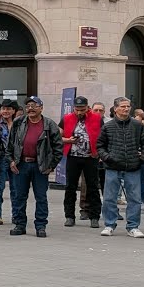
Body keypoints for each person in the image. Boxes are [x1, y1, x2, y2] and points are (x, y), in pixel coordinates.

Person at [6, 96, 63, 238]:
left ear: (41, 108)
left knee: (41, 197)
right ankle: (20, 224)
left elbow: (58, 147)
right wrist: (11, 161)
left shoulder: (49, 124)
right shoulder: (19, 122)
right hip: (21, 165)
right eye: (28, 106)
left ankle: (41, 226)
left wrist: (52, 165)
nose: (30, 108)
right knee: (19, 196)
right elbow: (10, 145)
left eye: (34, 105)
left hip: (40, 166)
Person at [98, 97, 144, 238]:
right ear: (115, 108)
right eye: (122, 106)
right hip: (112, 167)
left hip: (133, 167)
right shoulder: (107, 126)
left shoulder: (137, 125)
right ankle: (109, 224)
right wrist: (107, 157)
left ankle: (133, 226)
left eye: (128, 106)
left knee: (134, 198)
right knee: (109, 198)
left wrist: (141, 158)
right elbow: (100, 145)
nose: (126, 109)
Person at [61, 96, 103, 228]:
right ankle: (69, 216)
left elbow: (104, 136)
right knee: (70, 187)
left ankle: (94, 216)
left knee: (93, 187)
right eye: (77, 109)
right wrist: (67, 140)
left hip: (91, 157)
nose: (79, 112)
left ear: (87, 108)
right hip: (73, 156)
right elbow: (58, 136)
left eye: (82, 110)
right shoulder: (67, 118)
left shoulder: (96, 118)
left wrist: (99, 152)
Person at [0, 98, 20, 224]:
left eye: (8, 109)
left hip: (16, 159)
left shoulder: (19, 122)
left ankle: (16, 215)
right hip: (1, 158)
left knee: (16, 188)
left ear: (14, 110)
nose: (5, 111)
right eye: (3, 108)